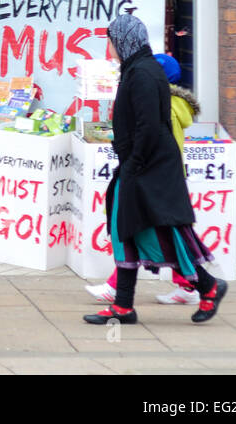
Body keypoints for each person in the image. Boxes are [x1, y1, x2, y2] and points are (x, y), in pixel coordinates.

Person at [82, 14, 226, 327]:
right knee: (132, 231)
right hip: (143, 166)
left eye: (110, 40)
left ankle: (208, 285)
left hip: (148, 168)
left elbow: (148, 126)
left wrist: (133, 165)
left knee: (157, 230)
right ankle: (123, 306)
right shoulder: (137, 69)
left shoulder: (143, 73)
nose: (108, 47)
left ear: (123, 40)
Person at [85, 51, 203, 307]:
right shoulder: (170, 102)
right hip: (164, 176)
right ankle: (191, 285)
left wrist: (135, 162)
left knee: (150, 232)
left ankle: (197, 285)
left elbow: (151, 138)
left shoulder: (163, 104)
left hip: (159, 177)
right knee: (161, 234)